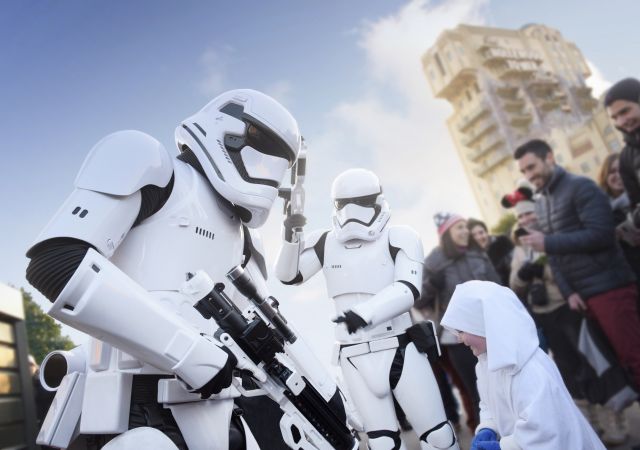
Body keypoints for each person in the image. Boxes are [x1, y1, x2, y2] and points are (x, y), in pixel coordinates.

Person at [25, 89, 327, 449]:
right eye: (263, 160)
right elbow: (58, 263)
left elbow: (257, 332)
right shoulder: (152, 166)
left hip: (222, 415)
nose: (265, 176)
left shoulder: (246, 239)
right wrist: (192, 354)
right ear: (229, 132)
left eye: (274, 169)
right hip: (133, 411)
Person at [275, 168, 460, 450]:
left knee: (437, 435)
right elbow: (288, 275)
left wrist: (365, 313)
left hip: (401, 347)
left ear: (377, 200)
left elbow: (408, 289)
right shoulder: (325, 242)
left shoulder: (400, 236)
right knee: (381, 443)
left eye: (361, 202)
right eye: (343, 204)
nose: (351, 212)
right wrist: (290, 233)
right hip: (353, 355)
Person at [503, 184, 631, 445]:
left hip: (569, 309)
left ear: (538, 213)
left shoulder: (555, 236)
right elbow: (514, 285)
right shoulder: (519, 248)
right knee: (569, 372)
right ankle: (590, 425)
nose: (526, 220)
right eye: (521, 217)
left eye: (529, 214)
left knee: (594, 364)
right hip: (545, 316)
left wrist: (545, 271)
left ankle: (614, 417)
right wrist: (524, 275)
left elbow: (570, 271)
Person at [514, 138, 640, 393]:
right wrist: (569, 291)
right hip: (583, 298)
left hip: (610, 287)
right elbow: (555, 257)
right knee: (618, 364)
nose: (529, 175)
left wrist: (548, 242)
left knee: (634, 356)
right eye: (524, 171)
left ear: (549, 157)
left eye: (532, 167)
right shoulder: (543, 202)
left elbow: (602, 234)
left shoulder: (581, 187)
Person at [441, 280, 605, 450]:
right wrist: (488, 426)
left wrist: (503, 447)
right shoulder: (485, 364)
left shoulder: (530, 370)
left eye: (461, 331)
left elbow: (545, 431)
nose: (458, 339)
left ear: (483, 324)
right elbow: (488, 403)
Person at [417, 212, 501, 433]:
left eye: (465, 227)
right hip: (459, 339)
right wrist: (431, 285)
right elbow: (419, 301)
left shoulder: (478, 255)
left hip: (491, 330)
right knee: (476, 390)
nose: (465, 231)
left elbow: (499, 289)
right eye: (459, 228)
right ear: (446, 233)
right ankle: (486, 436)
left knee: (502, 383)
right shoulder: (434, 262)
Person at [598, 153, 640, 281]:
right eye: (612, 171)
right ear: (605, 177)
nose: (618, 175)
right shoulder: (601, 210)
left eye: (622, 170)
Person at [605, 77, 640, 230]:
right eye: (615, 117)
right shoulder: (626, 158)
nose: (621, 121)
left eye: (625, 111)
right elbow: (635, 210)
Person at [467, 218, 513, 286]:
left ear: (486, 232)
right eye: (474, 235)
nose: (478, 237)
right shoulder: (472, 257)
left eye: (481, 232)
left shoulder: (502, 242)